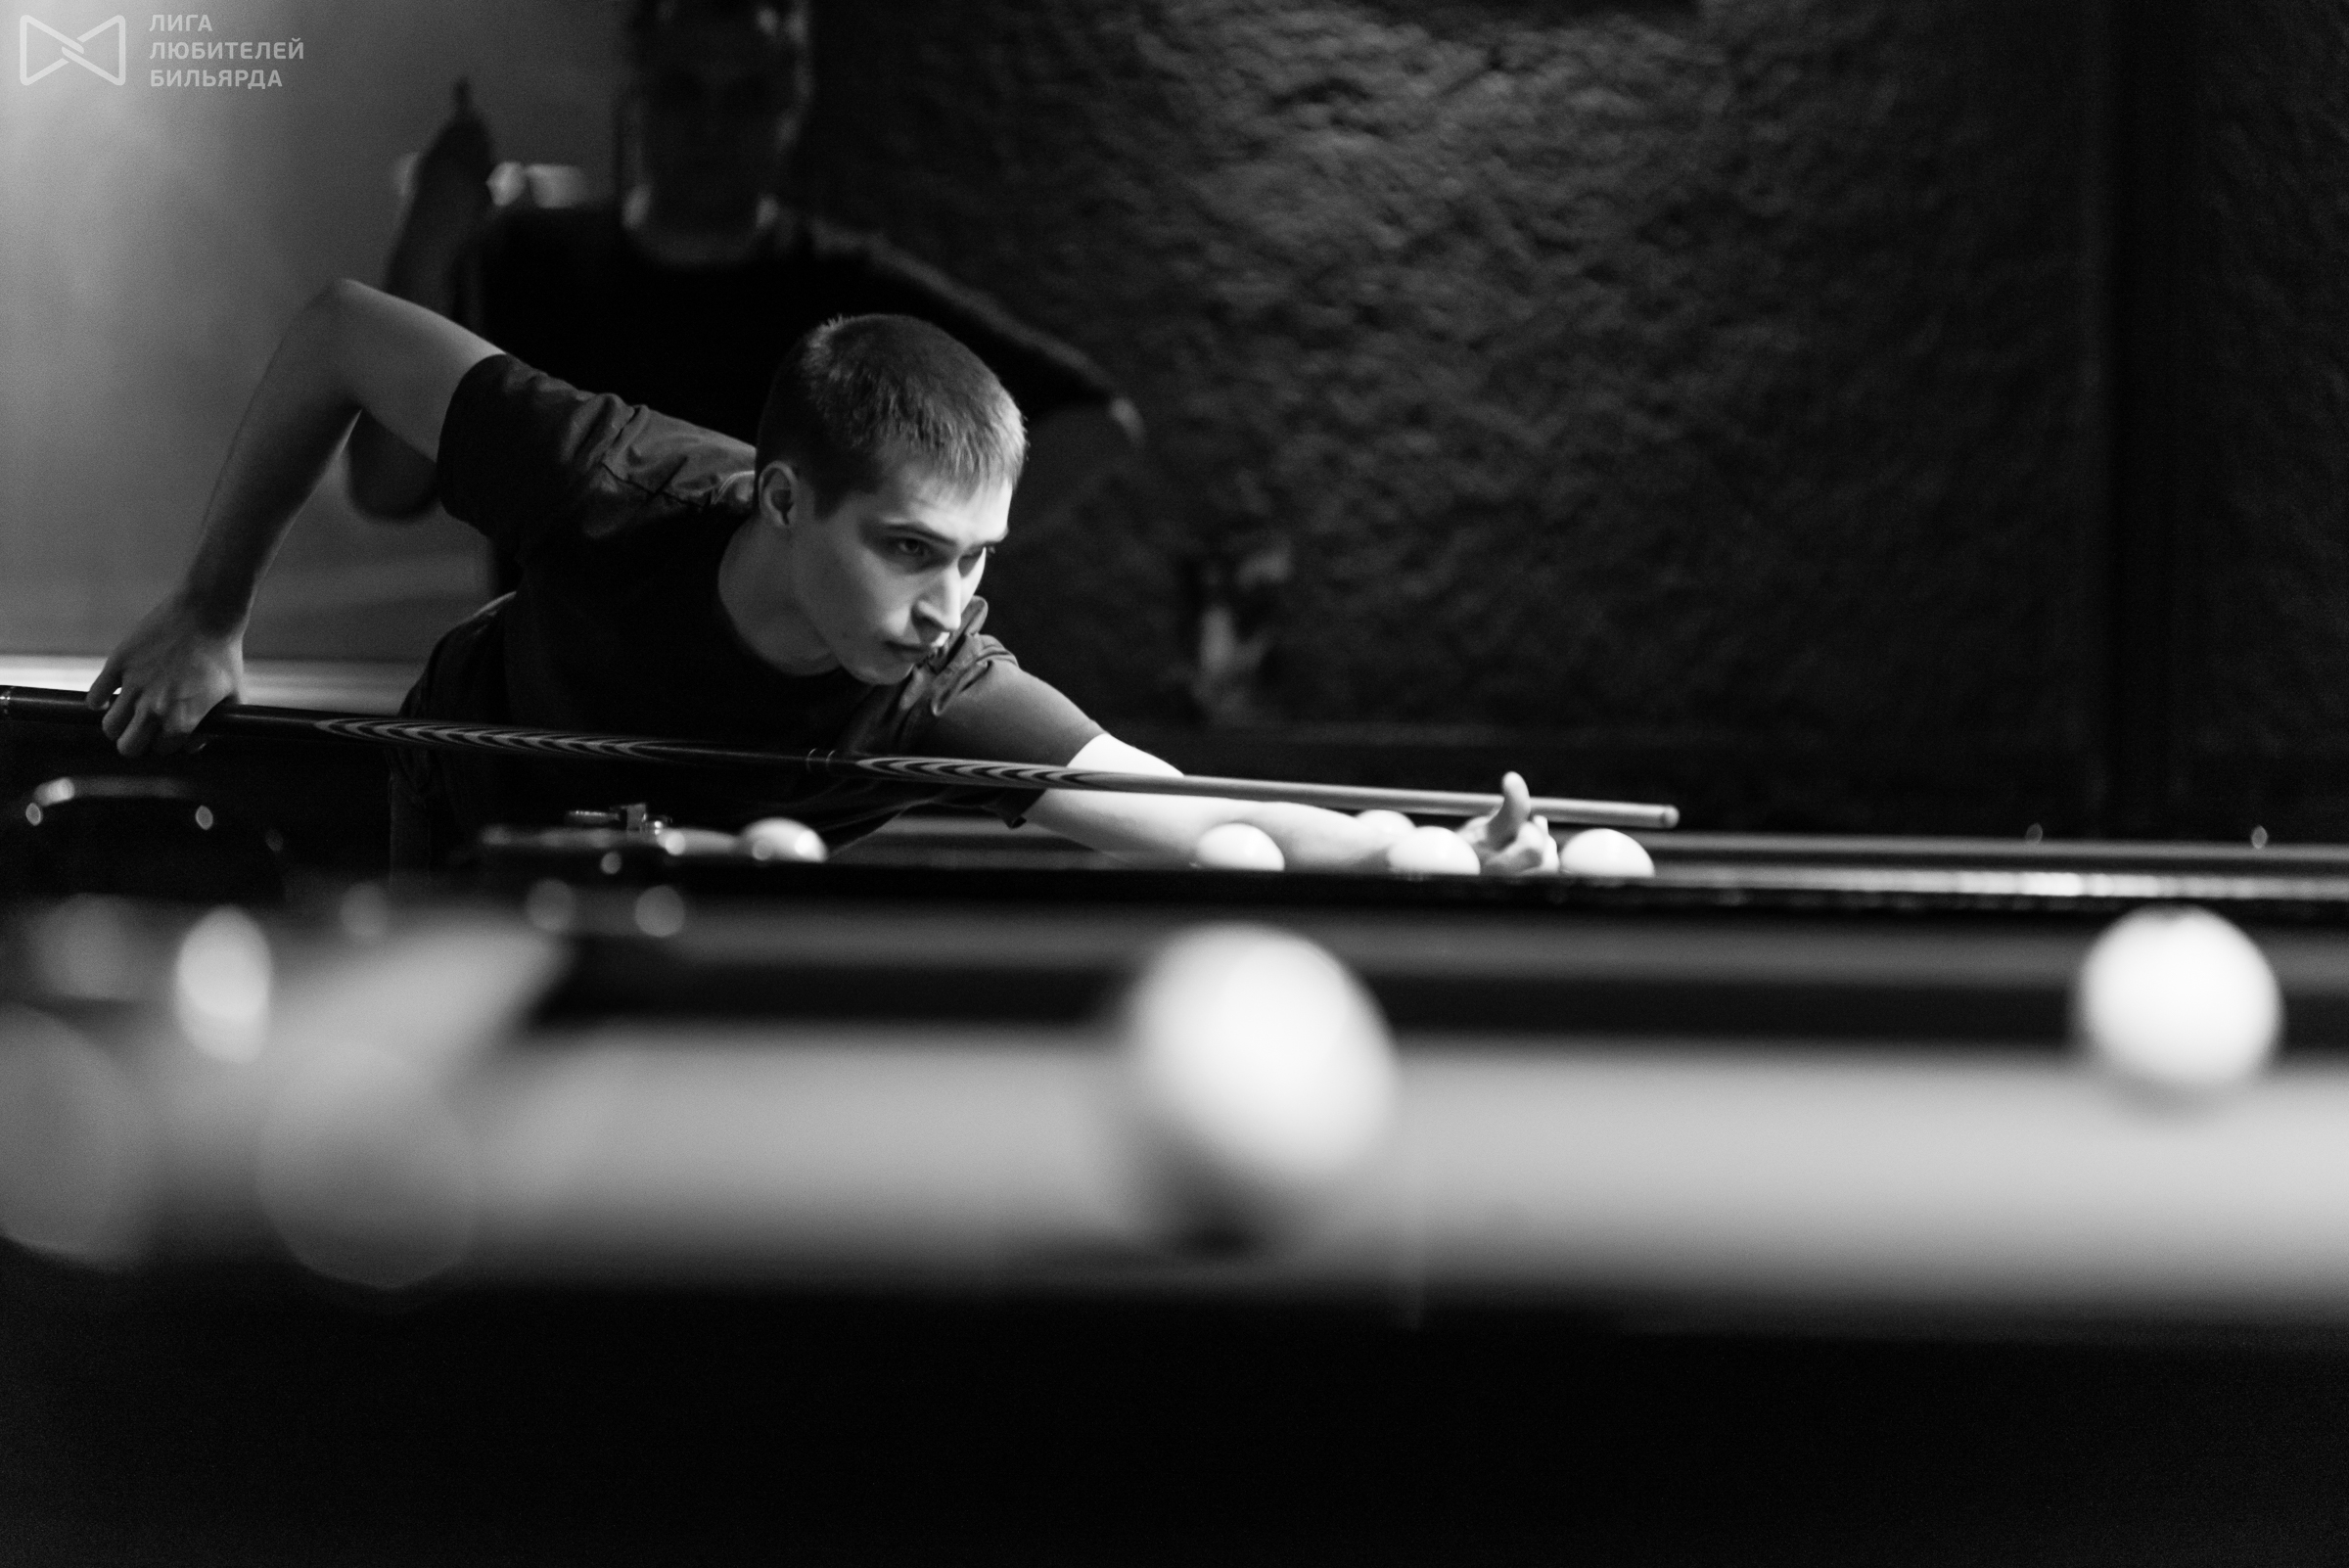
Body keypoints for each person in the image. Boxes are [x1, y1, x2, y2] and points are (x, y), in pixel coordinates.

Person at [91, 282, 1561, 877]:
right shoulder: (612, 478)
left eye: (976, 559)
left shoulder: (935, 681)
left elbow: (1201, 812)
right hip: (475, 786)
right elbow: (342, 332)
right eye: (910, 548)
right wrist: (211, 611)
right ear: (785, 503)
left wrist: (1427, 851)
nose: (948, 606)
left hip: (698, 892)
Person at [346, 0, 1138, 556]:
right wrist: (425, 247)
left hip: (769, 725)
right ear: (639, 95)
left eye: (746, 98)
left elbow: (1092, 425)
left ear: (791, 105)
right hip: (551, 718)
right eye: (684, 90)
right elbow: (386, 485)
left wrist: (910, 555)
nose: (711, 125)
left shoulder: (843, 291)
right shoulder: (527, 263)